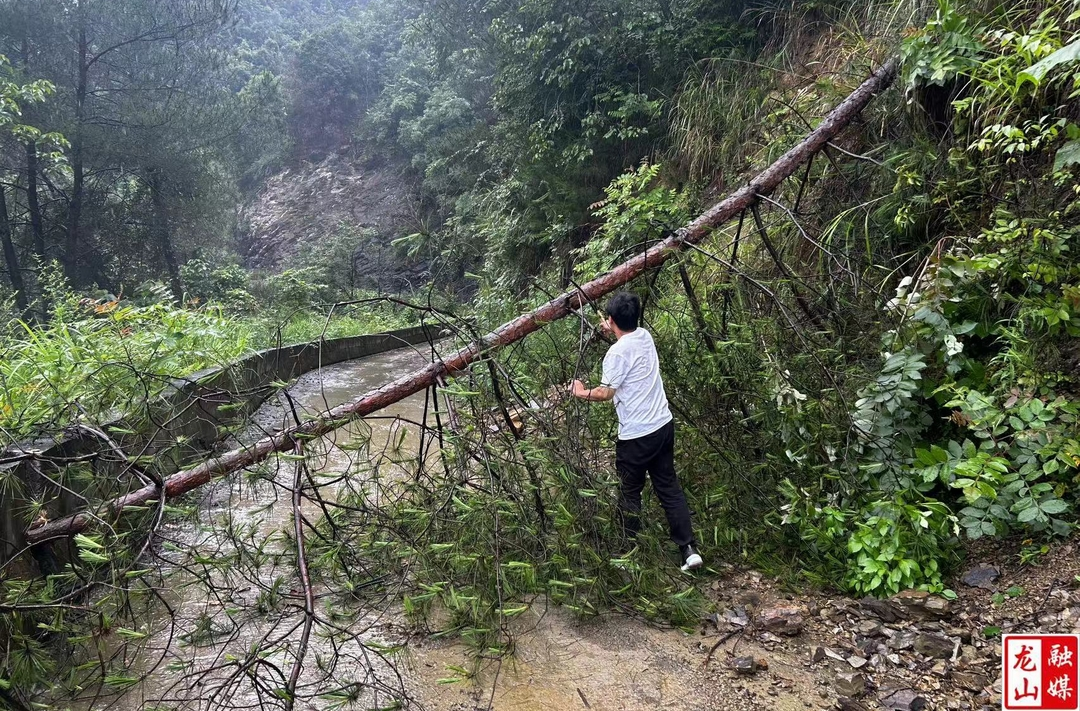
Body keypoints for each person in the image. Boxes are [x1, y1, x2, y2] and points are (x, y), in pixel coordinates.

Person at [570, 291, 703, 572]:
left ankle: (628, 554)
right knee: (668, 486)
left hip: (636, 436)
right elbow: (626, 336)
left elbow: (606, 393)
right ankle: (688, 549)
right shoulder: (644, 336)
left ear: (612, 320)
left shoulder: (616, 353)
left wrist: (581, 392)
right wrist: (612, 326)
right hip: (663, 426)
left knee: (630, 492)